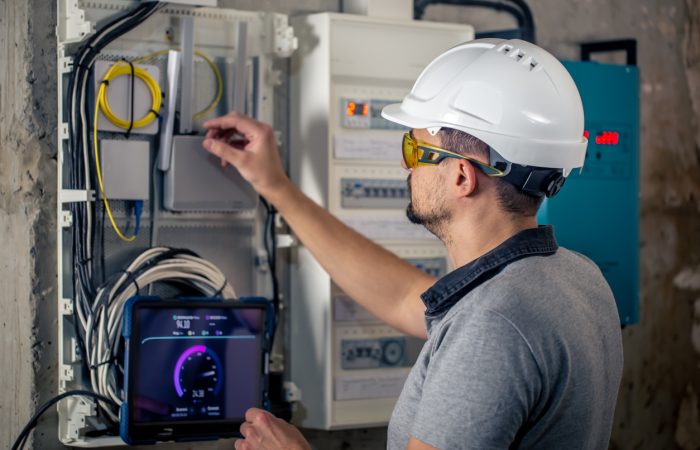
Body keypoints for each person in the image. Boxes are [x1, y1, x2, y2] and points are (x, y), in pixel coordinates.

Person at [202, 39, 623, 450]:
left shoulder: (493, 325)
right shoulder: (575, 277)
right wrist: (275, 187)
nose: (403, 164)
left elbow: (484, 328)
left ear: (462, 176)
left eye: (414, 148)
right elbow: (404, 297)